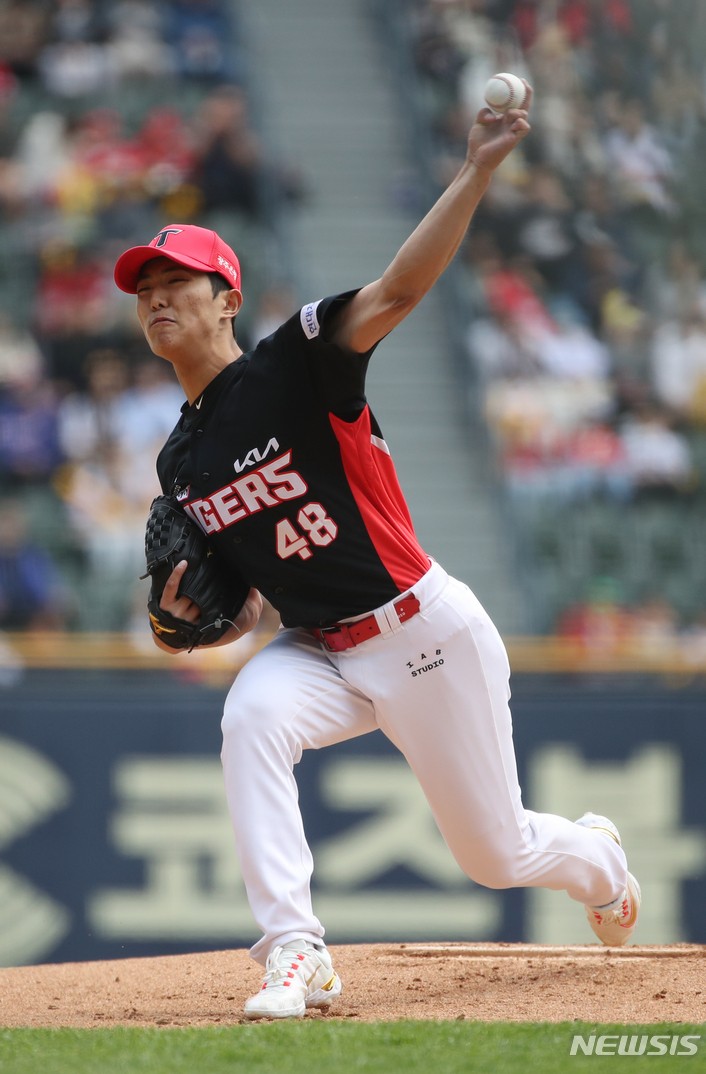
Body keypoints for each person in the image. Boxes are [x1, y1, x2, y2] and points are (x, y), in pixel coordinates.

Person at [114, 84, 639, 1020]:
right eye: (144, 293)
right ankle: (295, 953)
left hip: (421, 630)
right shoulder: (179, 458)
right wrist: (180, 626)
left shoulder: (296, 363)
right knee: (250, 720)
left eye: (176, 286)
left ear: (225, 298)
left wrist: (476, 167)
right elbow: (253, 600)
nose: (155, 301)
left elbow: (399, 289)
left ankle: (598, 858)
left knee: (496, 855)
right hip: (321, 645)